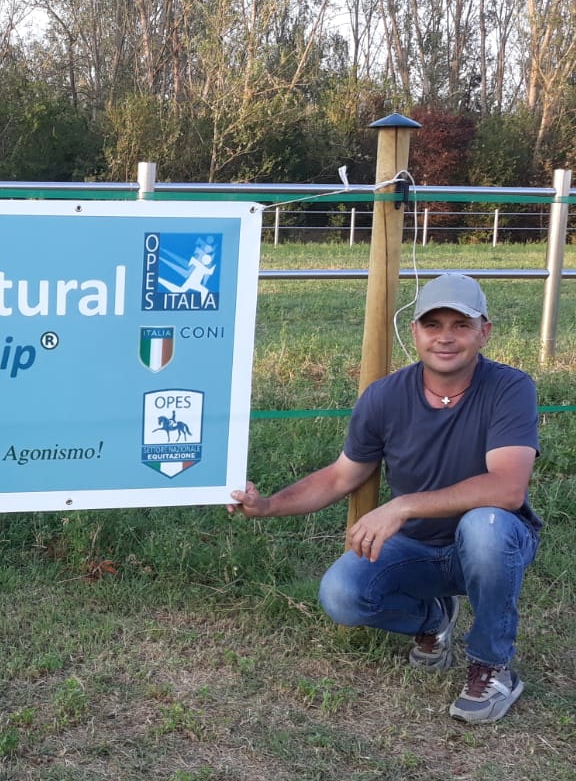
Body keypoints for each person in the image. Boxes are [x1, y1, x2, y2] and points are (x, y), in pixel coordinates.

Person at [229, 272, 542, 724]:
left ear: (484, 332)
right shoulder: (384, 397)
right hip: (415, 546)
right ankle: (433, 622)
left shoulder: (510, 388)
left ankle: (492, 667)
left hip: (493, 541)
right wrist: (269, 504)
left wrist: (402, 504)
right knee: (341, 594)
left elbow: (507, 489)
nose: (446, 338)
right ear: (414, 332)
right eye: (433, 325)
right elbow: (341, 476)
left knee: (484, 525)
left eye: (461, 325)